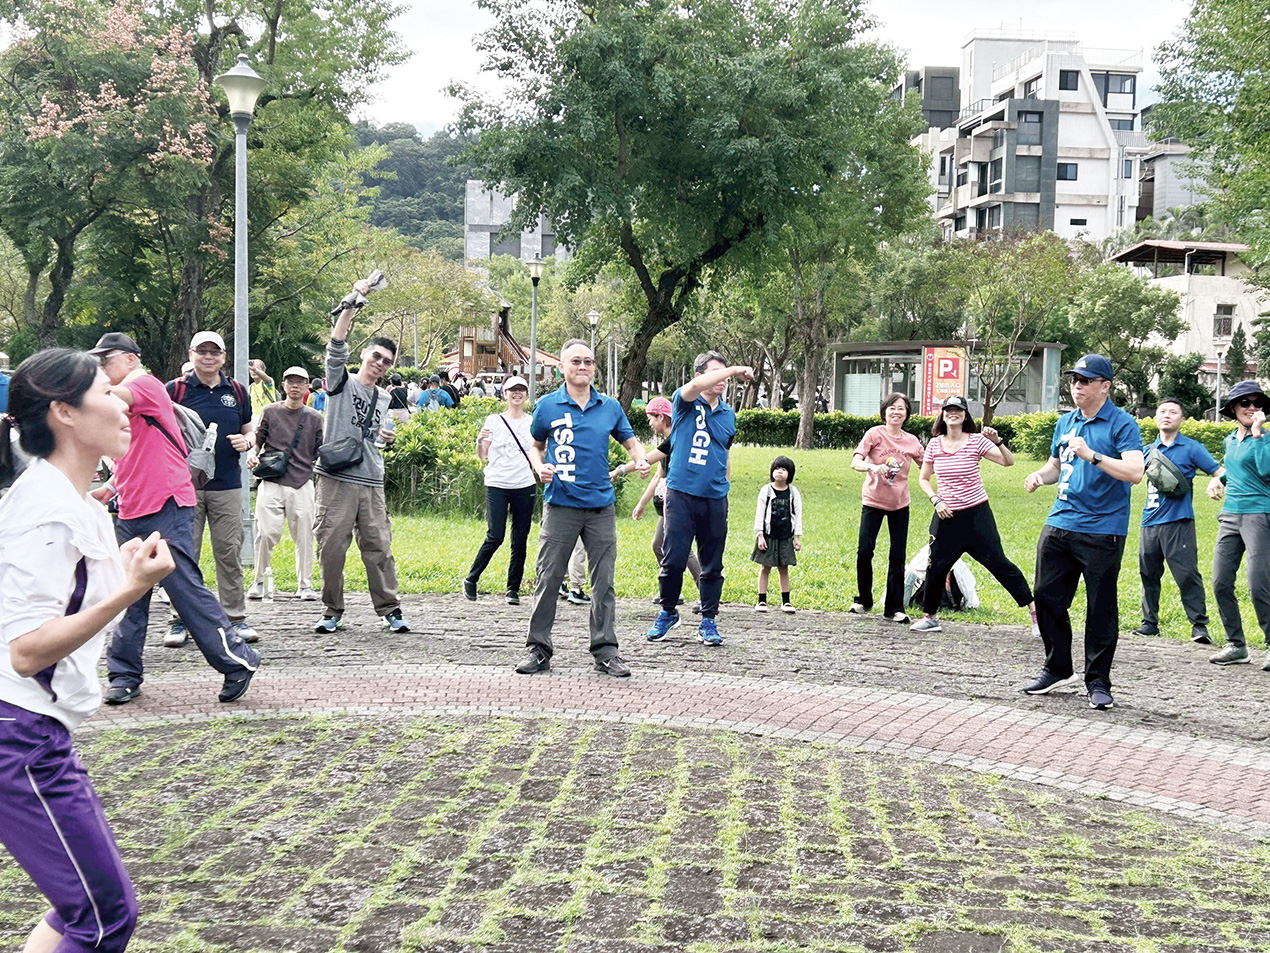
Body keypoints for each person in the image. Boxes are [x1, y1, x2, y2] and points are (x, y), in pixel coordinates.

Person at [0, 348, 177, 953]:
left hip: (35, 732)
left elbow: (64, 605)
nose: (125, 405)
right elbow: (26, 651)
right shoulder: (45, 512)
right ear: (64, 413)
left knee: (91, 908)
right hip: (17, 733)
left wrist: (117, 578)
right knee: (101, 916)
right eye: (108, 392)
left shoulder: (76, 501)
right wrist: (128, 590)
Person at [90, 332, 259, 705]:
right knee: (128, 594)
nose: (101, 368)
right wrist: (112, 487)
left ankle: (237, 659)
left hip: (168, 503)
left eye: (107, 359)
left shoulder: (145, 385)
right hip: (131, 506)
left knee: (182, 585)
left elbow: (98, 397)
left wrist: (64, 382)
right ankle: (124, 675)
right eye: (97, 361)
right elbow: (135, 452)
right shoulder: (120, 404)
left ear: (132, 360)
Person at [516, 339, 649, 677]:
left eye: (589, 362)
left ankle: (605, 651)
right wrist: (538, 466)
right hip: (560, 506)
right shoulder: (547, 406)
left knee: (603, 582)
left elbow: (630, 440)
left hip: (600, 506)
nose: (583, 367)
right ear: (562, 367)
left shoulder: (610, 407)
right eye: (576, 361)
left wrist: (640, 459)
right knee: (548, 578)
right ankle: (538, 649)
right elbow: (536, 445)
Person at [1022, 354, 1144, 711]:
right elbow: (1057, 465)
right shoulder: (1066, 422)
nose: (1077, 386)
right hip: (1061, 522)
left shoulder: (1122, 424)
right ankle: (1058, 667)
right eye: (1074, 379)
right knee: (1045, 597)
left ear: (1105, 386)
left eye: (1086, 380)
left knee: (1100, 607)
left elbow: (1135, 472)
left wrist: (1093, 455)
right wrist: (1039, 477)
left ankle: (1098, 681)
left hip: (1102, 529)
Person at [313, 279, 411, 634]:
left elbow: (375, 436)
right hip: (336, 478)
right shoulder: (341, 381)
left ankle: (390, 610)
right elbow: (335, 345)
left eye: (386, 361)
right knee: (331, 548)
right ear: (364, 356)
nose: (380, 364)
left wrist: (386, 437)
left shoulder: (385, 398)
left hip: (371, 479)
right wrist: (354, 303)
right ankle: (331, 610)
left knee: (379, 547)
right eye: (375, 357)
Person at [645, 352, 753, 645]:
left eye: (725, 376)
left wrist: (724, 484)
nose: (723, 380)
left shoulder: (728, 414)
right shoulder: (684, 403)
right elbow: (694, 388)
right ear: (700, 376)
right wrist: (731, 368)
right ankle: (668, 612)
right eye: (716, 373)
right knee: (674, 557)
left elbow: (724, 452)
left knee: (712, 564)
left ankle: (708, 619)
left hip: (715, 498)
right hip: (680, 494)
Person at [909, 395, 1036, 635]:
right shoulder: (935, 444)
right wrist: (936, 500)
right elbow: (923, 479)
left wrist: (998, 442)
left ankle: (1035, 612)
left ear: (965, 415)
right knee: (935, 566)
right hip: (946, 516)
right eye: (948, 410)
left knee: (999, 563)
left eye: (958, 410)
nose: (952, 414)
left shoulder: (977, 441)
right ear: (943, 415)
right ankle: (930, 617)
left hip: (977, 515)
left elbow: (1008, 462)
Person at [166, 331, 258, 644]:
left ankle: (235, 618)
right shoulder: (175, 390)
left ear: (223, 357)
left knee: (229, 552)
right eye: (202, 351)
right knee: (183, 555)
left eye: (214, 352)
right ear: (191, 354)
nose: (208, 357)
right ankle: (180, 620)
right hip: (183, 487)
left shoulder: (236, 390)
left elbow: (249, 428)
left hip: (227, 484)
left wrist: (247, 442)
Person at [1133, 398, 1221, 644]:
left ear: (1182, 420)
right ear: (1155, 418)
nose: (1166, 415)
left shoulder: (1192, 448)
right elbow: (1129, 475)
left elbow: (1219, 471)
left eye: (1173, 412)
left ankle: (1199, 627)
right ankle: (1149, 623)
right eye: (1162, 411)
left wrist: (1216, 481)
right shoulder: (1146, 451)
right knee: (1148, 574)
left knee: (1186, 575)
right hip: (1149, 522)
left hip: (1179, 522)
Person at [1205, 381, 1270, 669]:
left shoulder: (1265, 439)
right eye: (1246, 403)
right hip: (1230, 515)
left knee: (1259, 584)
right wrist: (1218, 478)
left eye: (1258, 404)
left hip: (1259, 514)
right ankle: (1236, 645)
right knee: (1220, 581)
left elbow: (1266, 471)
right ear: (1233, 408)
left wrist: (1257, 434)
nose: (1252, 408)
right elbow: (1233, 467)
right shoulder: (1230, 440)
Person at [247, 366, 324, 602]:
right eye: (290, 382)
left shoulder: (315, 417)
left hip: (302, 482)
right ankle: (259, 581)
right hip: (271, 480)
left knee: (304, 535)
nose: (295, 386)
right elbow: (257, 439)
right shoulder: (269, 412)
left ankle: (306, 584)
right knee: (265, 533)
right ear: (283, 385)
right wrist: (253, 453)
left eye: (300, 382)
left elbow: (321, 449)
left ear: (307, 387)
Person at [619, 396, 702, 607]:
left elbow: (644, 460)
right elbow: (658, 477)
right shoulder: (667, 444)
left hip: (684, 500)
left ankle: (706, 592)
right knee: (659, 545)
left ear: (662, 417)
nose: (649, 423)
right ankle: (674, 591)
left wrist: (618, 471)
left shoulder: (678, 439)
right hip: (669, 504)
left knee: (681, 548)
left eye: (651, 418)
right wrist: (642, 503)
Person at [850, 393, 925, 623]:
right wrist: (873, 467)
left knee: (897, 556)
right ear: (885, 412)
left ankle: (893, 608)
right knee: (865, 550)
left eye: (901, 409)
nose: (896, 412)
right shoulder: (874, 434)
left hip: (900, 504)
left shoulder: (912, 441)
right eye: (892, 408)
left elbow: (928, 466)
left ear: (907, 414)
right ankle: (864, 599)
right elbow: (855, 461)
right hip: (873, 501)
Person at [463, 376, 536, 605]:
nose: (517, 393)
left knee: (520, 539)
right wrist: (478, 442)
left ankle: (512, 589)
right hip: (497, 483)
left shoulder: (532, 422)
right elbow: (483, 455)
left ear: (526, 394)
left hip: (524, 483)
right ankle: (471, 579)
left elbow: (538, 452)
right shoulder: (494, 420)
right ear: (504, 393)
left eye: (521, 389)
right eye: (512, 390)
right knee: (495, 535)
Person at [752, 455, 803, 613]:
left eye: (784, 469)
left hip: (785, 535)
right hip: (768, 535)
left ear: (790, 474)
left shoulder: (793, 493)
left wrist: (797, 538)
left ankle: (786, 601)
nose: (779, 472)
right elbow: (759, 514)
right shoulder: (766, 491)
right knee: (765, 567)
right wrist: (760, 535)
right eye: (776, 468)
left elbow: (798, 515)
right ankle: (761, 601)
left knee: (783, 568)